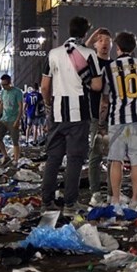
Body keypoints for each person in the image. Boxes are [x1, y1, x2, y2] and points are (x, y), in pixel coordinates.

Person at [40, 16, 102, 217]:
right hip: (79, 112)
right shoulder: (89, 54)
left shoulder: (54, 53)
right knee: (75, 159)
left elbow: (45, 86)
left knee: (53, 158)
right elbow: (97, 85)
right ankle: (69, 203)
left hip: (58, 111)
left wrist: (49, 105)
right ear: (85, 32)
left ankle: (47, 201)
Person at [98, 31, 137, 210]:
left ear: (117, 47)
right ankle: (135, 200)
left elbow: (104, 97)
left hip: (117, 119)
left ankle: (116, 199)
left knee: (116, 160)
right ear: (133, 48)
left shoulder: (109, 68)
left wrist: (102, 120)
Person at [85, 28, 113, 201]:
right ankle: (95, 191)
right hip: (95, 115)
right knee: (95, 154)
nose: (104, 43)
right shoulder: (90, 63)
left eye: (107, 40)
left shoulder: (114, 65)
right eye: (101, 40)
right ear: (95, 44)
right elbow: (80, 53)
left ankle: (112, 192)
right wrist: (91, 37)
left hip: (113, 116)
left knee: (113, 155)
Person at [0, 73, 25, 164]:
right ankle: (6, 156)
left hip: (13, 119)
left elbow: (20, 107)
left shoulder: (17, 92)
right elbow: (1, 105)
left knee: (15, 141)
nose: (3, 87)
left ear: (10, 83)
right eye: (2, 85)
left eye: (5, 85)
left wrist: (17, 120)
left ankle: (16, 160)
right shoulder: (3, 92)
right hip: (4, 119)